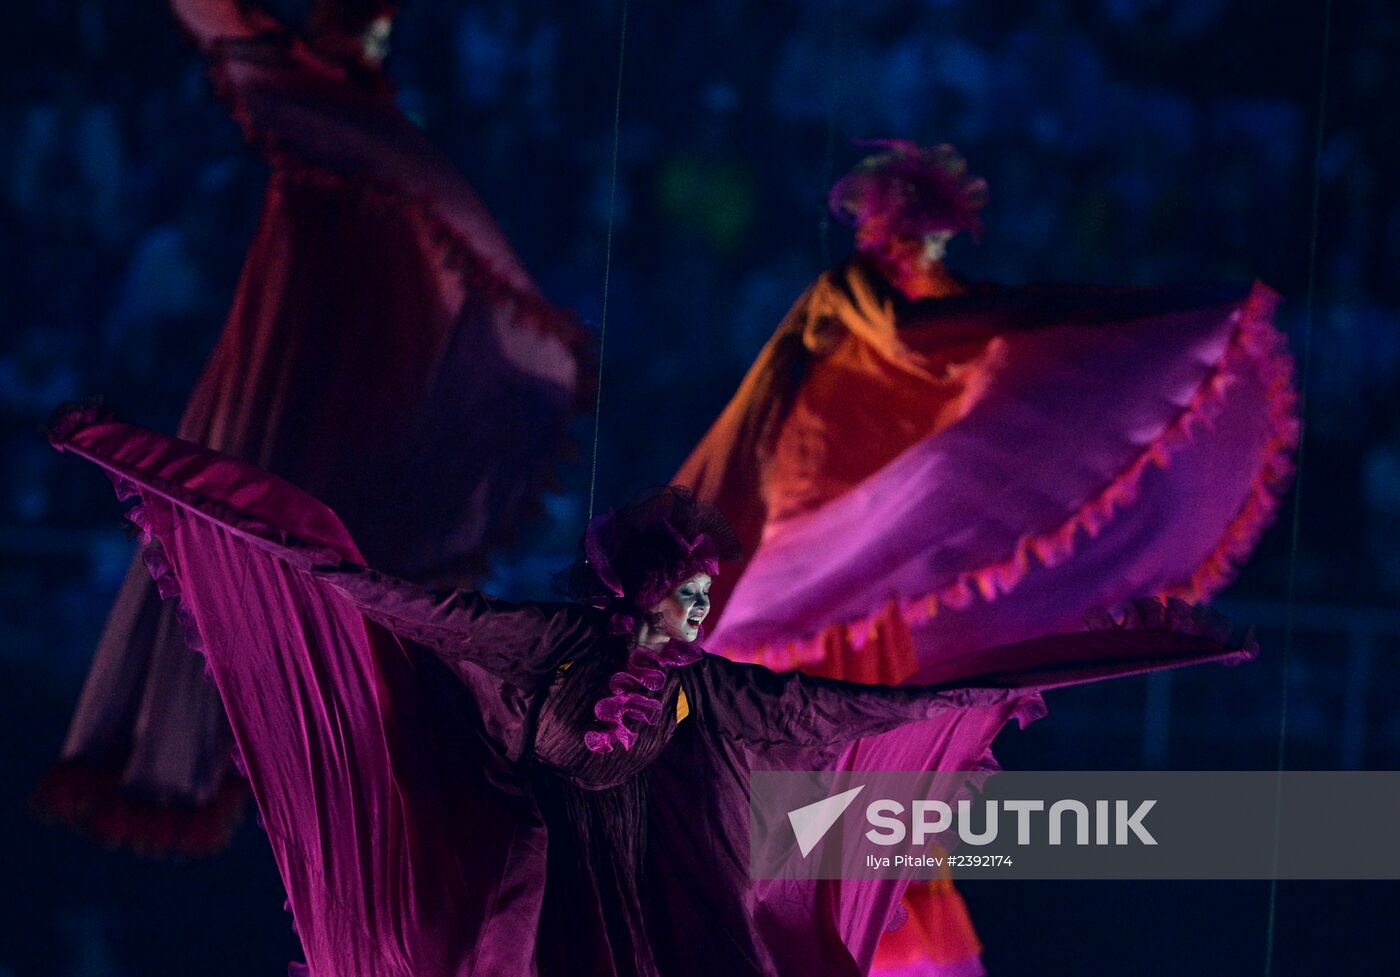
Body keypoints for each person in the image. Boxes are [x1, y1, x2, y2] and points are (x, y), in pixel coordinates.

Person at [48, 406, 1254, 977]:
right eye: (676, 595)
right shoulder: (543, 647)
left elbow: (850, 714)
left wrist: (1028, 675)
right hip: (554, 926)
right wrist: (239, 526)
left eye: (697, 599)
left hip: (681, 931)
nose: (691, 613)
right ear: (628, 590)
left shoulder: (719, 695)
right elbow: (397, 606)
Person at [677, 141, 1298, 975]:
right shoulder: (852, 296)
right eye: (923, 237)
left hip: (863, 579)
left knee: (872, 771)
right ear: (891, 229)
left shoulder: (936, 307)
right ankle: (785, 918)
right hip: (812, 552)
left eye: (940, 240)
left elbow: (992, 333)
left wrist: (1109, 322)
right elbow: (911, 350)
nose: (933, 254)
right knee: (804, 762)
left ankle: (840, 922)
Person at [37, 0, 589, 853]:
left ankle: (314, 705)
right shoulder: (313, 103)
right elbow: (234, 35)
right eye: (366, 30)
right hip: (308, 334)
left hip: (352, 335)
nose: (379, 44)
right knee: (254, 497)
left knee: (327, 509)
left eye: (381, 32)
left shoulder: (362, 126)